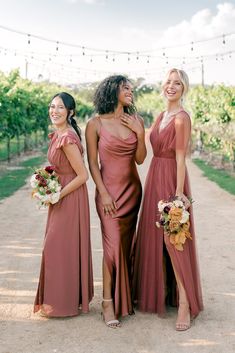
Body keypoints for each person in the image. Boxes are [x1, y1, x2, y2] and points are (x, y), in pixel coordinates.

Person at [133, 68, 203, 331]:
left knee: (175, 241)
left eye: (177, 83)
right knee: (154, 237)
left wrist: (177, 195)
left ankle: (185, 304)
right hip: (154, 176)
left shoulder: (181, 118)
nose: (171, 86)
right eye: (168, 82)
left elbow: (180, 158)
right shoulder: (161, 115)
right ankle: (158, 293)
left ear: (183, 89)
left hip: (171, 180)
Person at [85, 75, 146, 328]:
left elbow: (140, 159)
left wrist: (140, 134)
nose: (130, 91)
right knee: (111, 248)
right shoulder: (95, 124)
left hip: (132, 192)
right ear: (113, 91)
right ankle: (108, 302)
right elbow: (92, 163)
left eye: (131, 88)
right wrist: (104, 192)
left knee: (125, 245)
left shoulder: (137, 121)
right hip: (108, 194)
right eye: (125, 87)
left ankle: (125, 297)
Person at [34, 92, 93, 317]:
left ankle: (63, 303)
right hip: (61, 193)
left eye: (59, 107)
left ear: (71, 112)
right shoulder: (59, 134)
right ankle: (60, 300)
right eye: (51, 107)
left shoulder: (67, 137)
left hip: (70, 196)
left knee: (57, 247)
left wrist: (58, 195)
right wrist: (45, 181)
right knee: (58, 247)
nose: (54, 111)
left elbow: (82, 175)